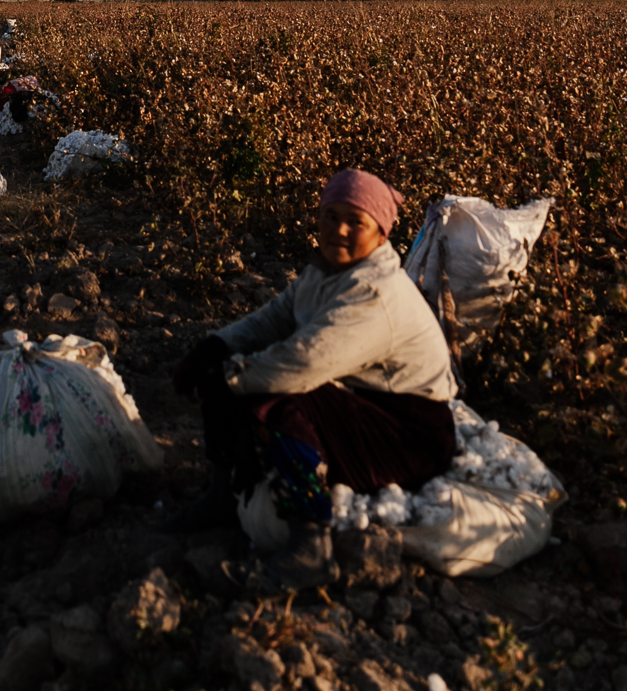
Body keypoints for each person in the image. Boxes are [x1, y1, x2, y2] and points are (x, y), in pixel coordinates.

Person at [166, 169, 457, 591]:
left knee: (272, 396)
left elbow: (302, 363)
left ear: (380, 233)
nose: (338, 229)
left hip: (409, 437)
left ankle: (309, 544)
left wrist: (227, 377)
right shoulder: (329, 271)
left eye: (355, 221)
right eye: (329, 215)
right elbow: (279, 316)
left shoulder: (374, 293)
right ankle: (222, 496)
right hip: (368, 407)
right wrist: (215, 346)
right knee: (236, 370)